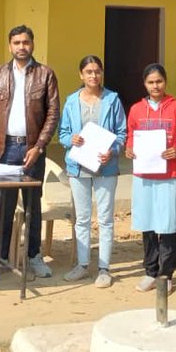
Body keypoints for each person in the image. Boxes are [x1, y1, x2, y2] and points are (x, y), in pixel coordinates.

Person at [0, 25, 60, 277]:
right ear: (10, 45)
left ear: (32, 44)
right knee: (5, 205)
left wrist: (39, 146)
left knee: (32, 204)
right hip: (4, 149)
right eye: (16, 42)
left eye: (25, 42)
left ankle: (34, 256)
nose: (21, 47)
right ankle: (1, 258)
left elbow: (52, 114)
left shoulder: (45, 75)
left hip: (31, 149)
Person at [58, 55, 127, 288]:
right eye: (88, 71)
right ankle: (82, 265)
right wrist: (71, 139)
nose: (93, 75)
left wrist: (112, 150)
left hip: (106, 167)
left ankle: (104, 268)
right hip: (78, 167)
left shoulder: (112, 99)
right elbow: (62, 133)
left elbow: (122, 133)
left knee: (105, 218)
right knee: (82, 219)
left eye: (97, 71)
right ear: (81, 74)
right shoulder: (71, 101)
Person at [124, 64, 176, 292]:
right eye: (151, 82)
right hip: (144, 176)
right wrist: (129, 149)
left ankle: (166, 274)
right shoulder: (136, 110)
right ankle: (150, 271)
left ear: (165, 82)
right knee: (147, 224)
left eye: (159, 81)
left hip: (168, 176)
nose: (155, 86)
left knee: (168, 225)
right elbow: (131, 135)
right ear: (144, 84)